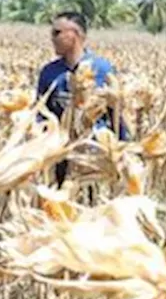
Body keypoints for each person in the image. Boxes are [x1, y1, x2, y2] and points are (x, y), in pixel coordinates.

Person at [35, 11, 125, 184]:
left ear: (74, 34)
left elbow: (115, 111)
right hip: (60, 153)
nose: (52, 38)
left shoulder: (102, 69)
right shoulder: (49, 72)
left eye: (57, 33)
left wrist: (122, 147)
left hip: (94, 154)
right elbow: (40, 113)